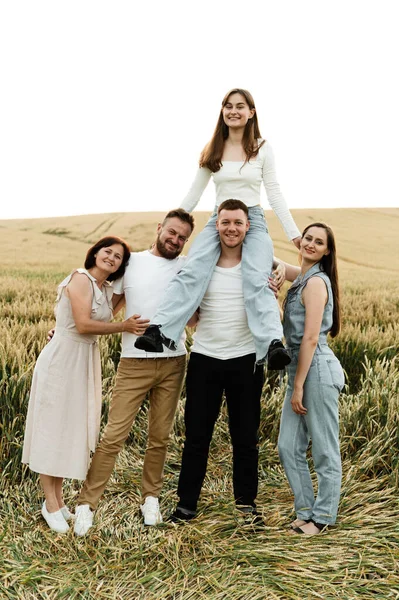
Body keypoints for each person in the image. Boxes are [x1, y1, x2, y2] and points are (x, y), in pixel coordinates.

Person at [135, 88, 301, 369]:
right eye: (228, 106)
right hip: (218, 220)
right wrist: (171, 225)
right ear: (222, 111)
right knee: (192, 271)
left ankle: (272, 343)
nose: (233, 111)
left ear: (251, 112)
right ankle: (159, 329)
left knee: (257, 278)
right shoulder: (213, 148)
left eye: (240, 106)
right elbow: (194, 192)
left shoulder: (262, 148)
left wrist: (294, 233)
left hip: (254, 220)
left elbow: (273, 192)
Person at [73, 209, 195, 536]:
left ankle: (150, 498)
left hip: (174, 361)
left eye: (183, 237)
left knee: (160, 437)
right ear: (160, 229)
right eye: (172, 232)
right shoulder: (133, 263)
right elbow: (104, 308)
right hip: (134, 361)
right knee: (114, 435)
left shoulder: (187, 267)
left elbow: (195, 316)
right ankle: (86, 503)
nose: (176, 239)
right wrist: (67, 329)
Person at [169, 200, 285, 523]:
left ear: (249, 226)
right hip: (205, 358)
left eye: (237, 222)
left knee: (245, 438)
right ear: (216, 225)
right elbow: (190, 317)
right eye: (225, 222)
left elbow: (297, 272)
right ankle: (186, 505)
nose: (231, 228)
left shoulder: (261, 262)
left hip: (246, 361)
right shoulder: (200, 262)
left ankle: (246, 507)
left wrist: (277, 279)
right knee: (196, 436)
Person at [22, 236, 137, 534]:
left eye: (118, 257)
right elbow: (84, 325)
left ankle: (59, 502)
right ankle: (49, 503)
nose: (111, 258)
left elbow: (114, 305)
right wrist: (123, 327)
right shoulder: (80, 278)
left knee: (66, 429)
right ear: (95, 253)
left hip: (82, 360)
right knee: (52, 430)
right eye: (107, 251)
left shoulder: (105, 288)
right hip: (62, 360)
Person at [277, 223, 345, 535]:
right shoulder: (302, 275)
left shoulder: (316, 282)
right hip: (300, 370)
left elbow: (310, 339)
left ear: (327, 250)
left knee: (324, 448)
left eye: (319, 242)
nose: (311, 244)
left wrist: (299, 384)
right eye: (308, 238)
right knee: (288, 447)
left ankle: (323, 517)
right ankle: (305, 511)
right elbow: (275, 263)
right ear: (300, 240)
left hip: (315, 369)